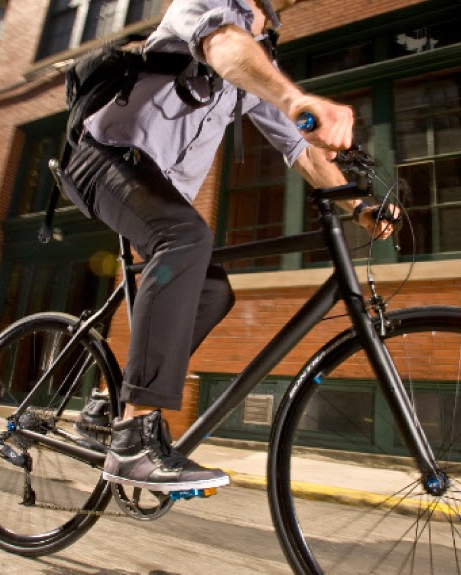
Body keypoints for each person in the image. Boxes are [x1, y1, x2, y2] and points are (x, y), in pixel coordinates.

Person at [64, 0, 397, 492]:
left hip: (155, 189)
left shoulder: (261, 61)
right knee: (184, 238)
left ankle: (107, 408)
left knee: (211, 292)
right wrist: (296, 99)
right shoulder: (211, 10)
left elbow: (299, 146)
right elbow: (222, 44)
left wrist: (358, 207)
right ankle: (133, 440)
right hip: (106, 157)